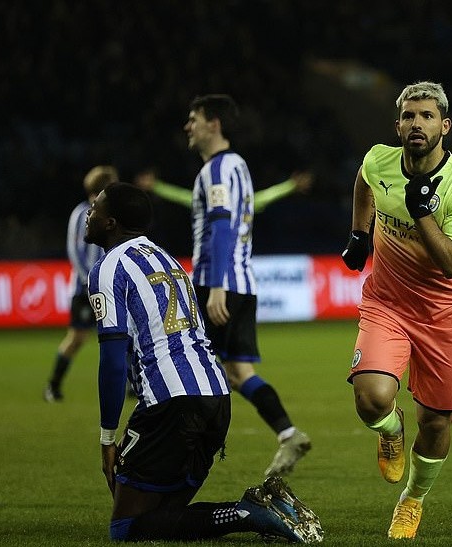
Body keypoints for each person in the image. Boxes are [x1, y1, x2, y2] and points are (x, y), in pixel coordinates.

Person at [84, 182, 322, 542]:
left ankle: (248, 512)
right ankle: (262, 508)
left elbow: (113, 360)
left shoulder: (107, 267)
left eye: (96, 208)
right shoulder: (167, 259)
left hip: (171, 404)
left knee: (127, 527)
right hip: (217, 397)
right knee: (165, 516)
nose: (90, 212)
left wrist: (106, 438)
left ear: (111, 223)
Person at [340, 81, 452, 539]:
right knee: (371, 399)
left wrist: (423, 213)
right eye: (408, 116)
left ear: (444, 126)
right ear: (397, 124)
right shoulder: (379, 159)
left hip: (440, 314)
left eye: (425, 117)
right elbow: (364, 181)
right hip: (387, 303)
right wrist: (360, 234)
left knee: (437, 421)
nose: (415, 124)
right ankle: (389, 429)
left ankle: (412, 500)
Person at [183, 94, 311, 478]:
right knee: (238, 373)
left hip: (218, 283)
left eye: (194, 119)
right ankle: (288, 433)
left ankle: (186, 452)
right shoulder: (238, 166)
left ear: (214, 124)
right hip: (244, 281)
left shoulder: (218, 170)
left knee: (192, 367)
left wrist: (218, 286)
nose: (188, 126)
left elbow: (222, 227)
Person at [44, 165, 119, 402]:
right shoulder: (82, 213)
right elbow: (74, 251)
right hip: (84, 289)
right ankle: (53, 385)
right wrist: (89, 280)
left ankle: (131, 384)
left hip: (109, 288)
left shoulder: (112, 215)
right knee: (77, 338)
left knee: (123, 335)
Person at [135, 169, 314, 213]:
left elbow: (265, 197)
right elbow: (182, 197)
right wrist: (156, 186)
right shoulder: (210, 205)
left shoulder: (240, 205)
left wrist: (290, 186)